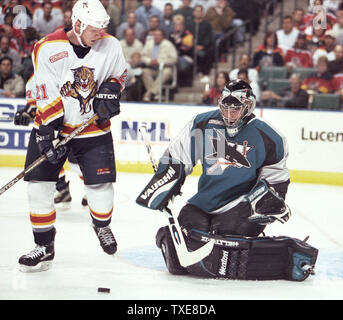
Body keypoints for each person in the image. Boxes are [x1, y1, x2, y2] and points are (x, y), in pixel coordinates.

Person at [136, 79, 318, 281]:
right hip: (204, 203)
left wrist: (267, 203)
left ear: (248, 107)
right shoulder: (203, 124)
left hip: (241, 206)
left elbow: (275, 182)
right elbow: (178, 157)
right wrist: (166, 184)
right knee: (190, 232)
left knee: (227, 240)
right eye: (225, 108)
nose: (229, 115)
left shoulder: (270, 137)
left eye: (236, 109)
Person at [18, 0, 128, 272]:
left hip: (92, 130)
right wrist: (47, 135)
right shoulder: (47, 47)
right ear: (77, 24)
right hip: (52, 127)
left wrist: (112, 90)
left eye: (103, 29)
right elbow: (44, 91)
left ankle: (101, 226)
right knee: (38, 187)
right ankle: (44, 245)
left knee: (100, 188)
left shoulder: (111, 45)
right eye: (94, 29)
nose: (99, 35)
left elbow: (120, 74)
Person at [141, 28, 177, 102]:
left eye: (159, 35)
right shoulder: (149, 43)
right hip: (151, 68)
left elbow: (174, 59)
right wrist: (149, 61)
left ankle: (149, 94)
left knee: (167, 72)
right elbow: (142, 56)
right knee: (144, 71)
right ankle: (156, 94)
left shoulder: (168, 44)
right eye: (155, 35)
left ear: (163, 36)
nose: (157, 37)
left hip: (164, 68)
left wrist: (160, 62)